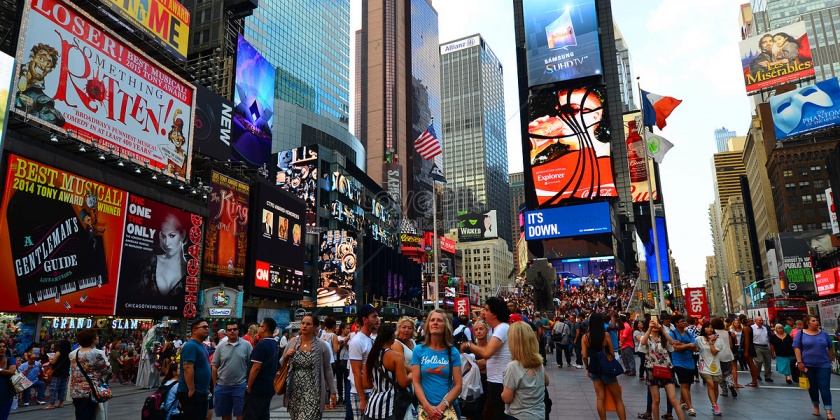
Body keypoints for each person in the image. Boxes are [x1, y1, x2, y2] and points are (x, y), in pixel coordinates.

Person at [280, 314, 337, 420]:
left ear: (315, 326)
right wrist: (286, 356)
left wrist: (333, 391)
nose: (304, 326)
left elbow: (327, 369)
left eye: (308, 324)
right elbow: (281, 363)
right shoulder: (293, 342)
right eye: (303, 323)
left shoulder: (321, 345)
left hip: (314, 389)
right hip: (295, 389)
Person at [411, 309, 462, 419]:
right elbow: (416, 382)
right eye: (432, 320)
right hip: (425, 409)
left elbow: (458, 385)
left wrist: (441, 407)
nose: (435, 323)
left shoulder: (453, 352)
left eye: (439, 320)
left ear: (445, 326)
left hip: (449, 408)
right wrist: (428, 407)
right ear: (428, 325)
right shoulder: (418, 350)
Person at [466, 297, 511, 420]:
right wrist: (478, 363)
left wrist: (468, 345)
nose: (484, 313)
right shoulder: (499, 329)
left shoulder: (501, 328)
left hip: (499, 383)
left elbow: (487, 353)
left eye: (486, 310)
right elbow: (495, 357)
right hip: (496, 382)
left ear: (494, 314)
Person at [138, 213, 189, 309]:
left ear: (182, 235)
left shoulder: (190, 271)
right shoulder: (151, 262)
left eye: (172, 236)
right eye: (164, 236)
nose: (166, 243)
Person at [582, 313, 626, 420]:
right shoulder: (605, 335)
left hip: (594, 367)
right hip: (606, 366)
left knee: (600, 398)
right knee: (618, 399)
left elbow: (584, 356)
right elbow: (612, 351)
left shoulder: (585, 337)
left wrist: (587, 367)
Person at [501, 321, 549, 420]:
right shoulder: (538, 362)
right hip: (539, 415)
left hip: (518, 415)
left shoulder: (513, 367)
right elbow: (547, 382)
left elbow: (507, 398)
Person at [363, 323, 411, 420]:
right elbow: (403, 382)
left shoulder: (371, 356)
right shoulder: (396, 356)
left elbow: (366, 384)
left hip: (372, 407)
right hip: (390, 407)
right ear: (393, 337)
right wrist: (412, 375)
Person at [640, 318, 685, 420]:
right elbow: (642, 342)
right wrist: (649, 329)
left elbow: (672, 343)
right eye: (652, 323)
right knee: (656, 400)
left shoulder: (664, 338)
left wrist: (663, 330)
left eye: (657, 323)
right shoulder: (646, 337)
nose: (655, 325)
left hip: (666, 368)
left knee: (673, 399)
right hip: (652, 370)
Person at [793, 315, 836, 419]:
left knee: (825, 387)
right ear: (808, 323)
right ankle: (816, 406)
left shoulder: (824, 334)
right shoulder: (801, 333)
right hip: (808, 365)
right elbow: (797, 348)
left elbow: (830, 347)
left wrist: (830, 358)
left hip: (823, 365)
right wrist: (799, 362)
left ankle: (828, 411)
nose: (816, 322)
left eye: (817, 320)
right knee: (812, 387)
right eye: (813, 320)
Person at [212, 321, 252, 420]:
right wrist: (215, 384)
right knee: (225, 415)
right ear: (226, 332)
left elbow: (251, 365)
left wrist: (248, 384)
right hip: (222, 386)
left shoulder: (246, 345)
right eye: (229, 330)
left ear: (238, 331)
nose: (232, 331)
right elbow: (214, 365)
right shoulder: (220, 346)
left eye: (234, 329)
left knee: (241, 414)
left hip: (240, 385)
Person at [69, 328, 112, 420]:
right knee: (90, 415)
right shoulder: (96, 354)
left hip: (76, 390)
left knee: (80, 415)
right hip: (90, 391)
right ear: (92, 340)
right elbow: (107, 370)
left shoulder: (75, 353)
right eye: (96, 336)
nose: (98, 338)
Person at [348, 304, 380, 420]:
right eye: (374, 316)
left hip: (371, 391)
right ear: (365, 320)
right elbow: (356, 372)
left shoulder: (369, 339)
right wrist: (362, 398)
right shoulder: (357, 341)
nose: (378, 319)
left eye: (377, 316)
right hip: (361, 393)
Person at [245, 318, 280, 419]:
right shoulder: (274, 343)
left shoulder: (262, 345)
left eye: (260, 326)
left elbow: (256, 367)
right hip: (269, 385)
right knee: (263, 414)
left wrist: (249, 386)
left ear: (264, 328)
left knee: (251, 414)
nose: (258, 328)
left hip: (258, 387)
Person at [177, 319, 212, 420]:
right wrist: (191, 389)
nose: (207, 329)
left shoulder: (201, 346)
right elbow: (187, 368)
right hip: (192, 392)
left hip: (201, 391)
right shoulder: (191, 346)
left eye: (208, 327)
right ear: (194, 330)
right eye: (204, 327)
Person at [668, 315, 697, 417]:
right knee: (684, 384)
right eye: (682, 321)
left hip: (690, 361)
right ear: (676, 323)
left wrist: (682, 345)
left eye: (684, 321)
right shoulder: (672, 334)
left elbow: (695, 347)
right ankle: (690, 407)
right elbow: (675, 348)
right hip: (678, 362)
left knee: (688, 384)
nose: (684, 323)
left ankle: (682, 402)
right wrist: (688, 345)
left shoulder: (689, 334)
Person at [390, 317, 417, 420]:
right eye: (404, 327)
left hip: (415, 381)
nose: (406, 330)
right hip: (404, 383)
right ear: (399, 328)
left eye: (409, 328)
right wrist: (417, 371)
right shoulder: (396, 343)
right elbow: (401, 364)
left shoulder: (413, 342)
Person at [696, 322, 723, 416]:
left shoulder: (717, 340)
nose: (710, 329)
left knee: (715, 386)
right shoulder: (699, 339)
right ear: (703, 329)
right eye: (707, 327)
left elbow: (714, 352)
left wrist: (711, 342)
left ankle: (714, 403)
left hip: (715, 366)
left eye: (711, 327)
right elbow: (694, 348)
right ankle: (715, 405)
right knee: (710, 384)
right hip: (704, 366)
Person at [710, 318, 736, 399]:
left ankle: (724, 390)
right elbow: (730, 345)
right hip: (728, 354)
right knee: (728, 372)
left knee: (719, 374)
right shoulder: (726, 333)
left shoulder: (713, 333)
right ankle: (731, 384)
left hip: (718, 355)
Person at [44, 339, 70, 409]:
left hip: (57, 372)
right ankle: (61, 403)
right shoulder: (70, 354)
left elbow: (53, 362)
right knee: (63, 388)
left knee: (54, 388)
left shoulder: (58, 353)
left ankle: (52, 404)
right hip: (66, 372)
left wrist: (50, 359)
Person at [752, 316, 773, 382]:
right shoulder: (752, 328)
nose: (761, 322)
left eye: (762, 320)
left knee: (768, 362)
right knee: (759, 361)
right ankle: (757, 374)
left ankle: (767, 376)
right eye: (759, 320)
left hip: (766, 346)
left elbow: (770, 337)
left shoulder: (765, 328)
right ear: (756, 321)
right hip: (756, 346)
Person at [335, 323, 351, 407]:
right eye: (347, 328)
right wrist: (341, 344)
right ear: (342, 329)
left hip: (347, 360)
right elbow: (336, 349)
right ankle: (340, 396)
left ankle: (346, 398)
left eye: (349, 328)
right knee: (339, 379)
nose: (348, 330)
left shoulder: (350, 338)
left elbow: (351, 348)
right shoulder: (337, 337)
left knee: (346, 380)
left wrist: (346, 342)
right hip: (339, 360)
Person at [0, 342, 16, 419]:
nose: (2, 348)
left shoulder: (10, 359)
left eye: (4, 346)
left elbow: (11, 372)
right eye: (0, 347)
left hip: (6, 395)